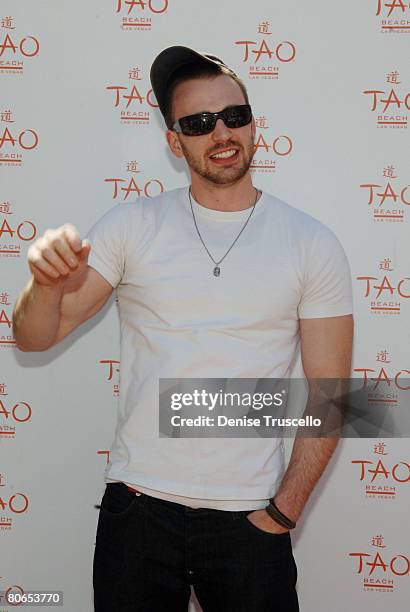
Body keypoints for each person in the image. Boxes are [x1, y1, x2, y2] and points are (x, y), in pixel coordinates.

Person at [12, 46, 353, 611]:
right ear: (175, 142)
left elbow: (332, 395)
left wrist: (281, 514)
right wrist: (44, 285)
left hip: (251, 522)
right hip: (138, 516)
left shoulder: (311, 244)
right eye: (198, 123)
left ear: (252, 125)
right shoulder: (131, 226)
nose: (220, 132)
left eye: (234, 116)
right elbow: (33, 338)